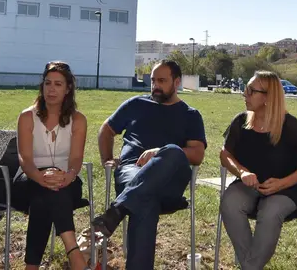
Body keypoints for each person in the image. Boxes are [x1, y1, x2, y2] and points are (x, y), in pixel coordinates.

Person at [91, 59, 206, 270]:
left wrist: (158, 153)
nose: (155, 86)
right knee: (145, 203)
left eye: (162, 80)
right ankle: (125, 205)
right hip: (131, 171)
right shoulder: (136, 104)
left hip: (170, 181)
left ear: (177, 82)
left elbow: (197, 154)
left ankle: (119, 208)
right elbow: (106, 129)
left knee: (172, 150)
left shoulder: (190, 115)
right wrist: (106, 158)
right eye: (153, 80)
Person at [219, 71, 297, 270]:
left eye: (250, 91)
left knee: (270, 211)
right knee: (230, 203)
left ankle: (249, 267)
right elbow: (225, 154)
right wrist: (242, 172)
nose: (244, 94)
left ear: (268, 97)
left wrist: (282, 183)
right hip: (249, 185)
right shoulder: (241, 122)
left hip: (286, 188)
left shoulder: (289, 125)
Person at [13, 61, 89, 270]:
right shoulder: (27, 117)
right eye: (47, 83)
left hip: (66, 180)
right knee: (44, 191)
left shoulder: (78, 120)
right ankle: (73, 252)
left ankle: (31, 267)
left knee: (46, 198)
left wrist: (69, 175)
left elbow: (75, 159)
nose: (51, 89)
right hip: (29, 178)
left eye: (58, 84)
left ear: (68, 88)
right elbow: (25, 159)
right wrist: (40, 177)